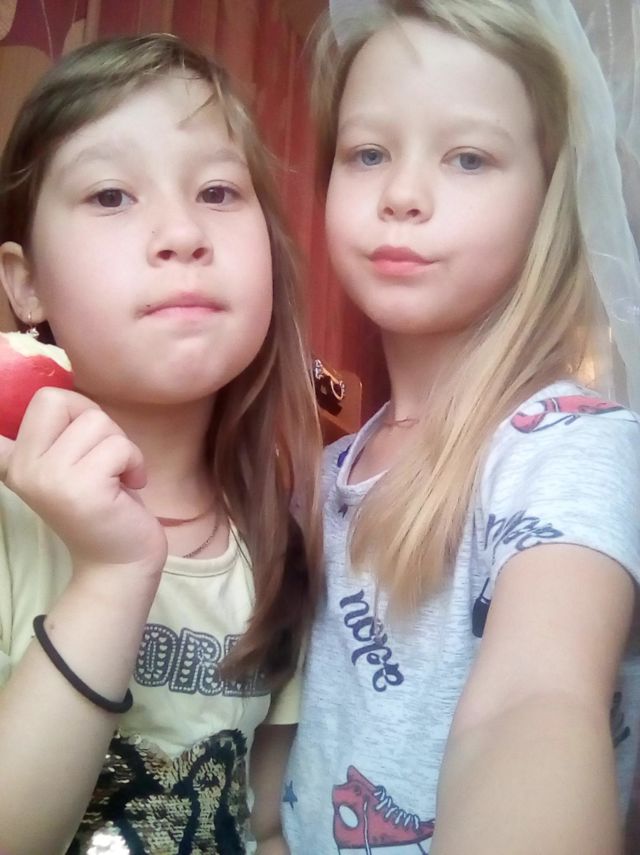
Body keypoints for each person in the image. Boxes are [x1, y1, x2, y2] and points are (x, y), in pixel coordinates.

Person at [283, 1, 640, 853]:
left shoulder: (570, 444)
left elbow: (535, 700)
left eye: (469, 157)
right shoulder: (334, 468)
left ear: (548, 199)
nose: (402, 195)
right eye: (368, 153)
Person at [0, 33, 321, 855]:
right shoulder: (8, 519)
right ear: (25, 282)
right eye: (111, 195)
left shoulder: (281, 539)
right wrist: (112, 573)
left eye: (218, 190)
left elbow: (266, 822)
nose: (182, 232)